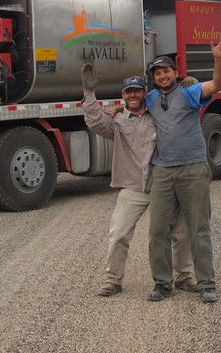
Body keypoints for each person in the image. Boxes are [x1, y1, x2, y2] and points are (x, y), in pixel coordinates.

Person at [81, 64, 196, 297]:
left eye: (137, 91)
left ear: (145, 93)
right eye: (128, 92)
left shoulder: (158, 115)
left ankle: (184, 276)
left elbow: (178, 105)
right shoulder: (117, 122)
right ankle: (112, 279)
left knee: (180, 232)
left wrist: (187, 83)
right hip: (133, 187)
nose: (132, 95)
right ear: (123, 96)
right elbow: (94, 121)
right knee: (119, 232)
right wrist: (89, 93)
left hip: (163, 185)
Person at [145, 35, 221, 303]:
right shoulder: (150, 99)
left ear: (175, 73)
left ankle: (207, 283)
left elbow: (217, 85)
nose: (162, 76)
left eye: (166, 71)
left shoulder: (188, 93)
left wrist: (218, 60)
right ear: (154, 78)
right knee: (157, 231)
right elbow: (130, 104)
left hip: (193, 168)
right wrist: (114, 110)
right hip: (162, 170)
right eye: (158, 73)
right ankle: (163, 284)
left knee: (198, 228)